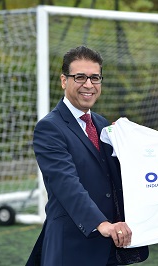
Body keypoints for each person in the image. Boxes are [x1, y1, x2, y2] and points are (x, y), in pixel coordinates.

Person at [26, 46, 148, 265]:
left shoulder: (103, 124)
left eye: (95, 77)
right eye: (80, 77)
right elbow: (66, 184)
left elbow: (120, 179)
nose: (89, 85)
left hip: (111, 247)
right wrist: (100, 223)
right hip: (72, 248)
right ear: (64, 81)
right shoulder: (49, 128)